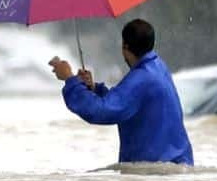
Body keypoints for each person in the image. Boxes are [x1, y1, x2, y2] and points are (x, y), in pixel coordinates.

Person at [49, 19, 193, 165]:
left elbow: (100, 111)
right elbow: (125, 102)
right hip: (178, 166)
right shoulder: (158, 67)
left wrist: (70, 79)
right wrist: (94, 89)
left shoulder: (141, 79)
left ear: (124, 45)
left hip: (156, 172)